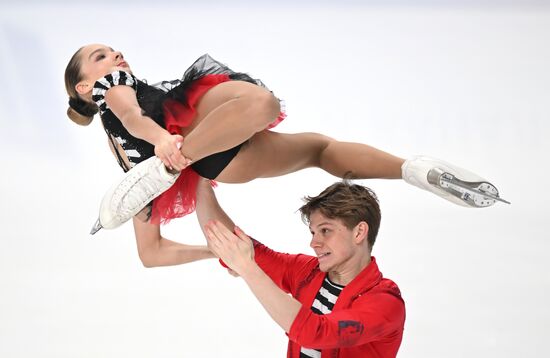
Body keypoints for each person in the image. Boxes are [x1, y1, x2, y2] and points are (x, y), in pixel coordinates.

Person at [65, 44, 507, 266]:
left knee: (318, 148)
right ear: (86, 86)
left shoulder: (121, 145)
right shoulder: (114, 91)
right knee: (263, 105)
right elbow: (133, 115)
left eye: (112, 48)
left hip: (217, 154)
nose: (115, 54)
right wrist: (164, 143)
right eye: (101, 56)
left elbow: (151, 254)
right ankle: (174, 162)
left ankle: (413, 171)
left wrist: (216, 253)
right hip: (194, 144)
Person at [196, 178, 406, 357]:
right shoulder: (307, 270)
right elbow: (233, 245)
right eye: (313, 232)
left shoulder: (386, 301)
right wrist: (200, 181)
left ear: (359, 232)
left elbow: (317, 332)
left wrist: (248, 269)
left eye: (325, 231)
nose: (314, 243)